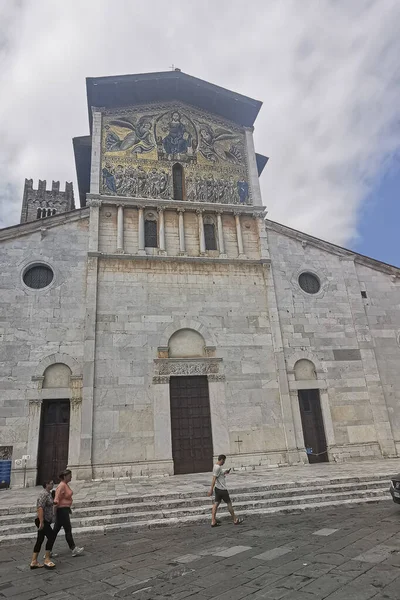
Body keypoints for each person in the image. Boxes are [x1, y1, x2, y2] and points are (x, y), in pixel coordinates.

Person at [53, 469, 84, 557]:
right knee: (67, 529)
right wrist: (54, 513)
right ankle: (73, 548)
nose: (71, 477)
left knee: (55, 531)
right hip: (61, 511)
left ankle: (48, 550)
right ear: (65, 476)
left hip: (64, 510)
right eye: (70, 475)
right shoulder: (61, 486)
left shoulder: (65, 485)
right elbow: (56, 500)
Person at [207, 454, 243, 527]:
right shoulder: (218, 468)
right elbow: (214, 479)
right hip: (222, 489)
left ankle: (213, 521)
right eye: (224, 461)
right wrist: (210, 490)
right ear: (222, 460)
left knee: (216, 504)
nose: (224, 462)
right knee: (229, 503)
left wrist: (224, 473)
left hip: (217, 488)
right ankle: (235, 519)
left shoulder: (216, 466)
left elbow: (218, 475)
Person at [30, 480, 56, 570]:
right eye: (51, 483)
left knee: (40, 539)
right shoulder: (43, 494)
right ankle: (47, 559)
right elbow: (40, 507)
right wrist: (41, 521)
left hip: (45, 520)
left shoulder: (49, 493)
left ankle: (34, 561)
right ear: (46, 484)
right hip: (42, 520)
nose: (53, 484)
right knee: (52, 536)